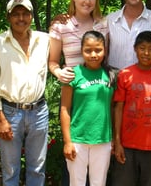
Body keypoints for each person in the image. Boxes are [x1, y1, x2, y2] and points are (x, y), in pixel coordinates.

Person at [0, 0, 49, 186]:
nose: (21, 18)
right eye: (16, 14)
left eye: (25, 13)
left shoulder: (44, 40)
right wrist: (0, 119)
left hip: (39, 112)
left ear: (32, 16)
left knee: (37, 168)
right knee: (10, 169)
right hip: (10, 113)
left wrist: (62, 18)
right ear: (8, 17)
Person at [112, 31, 151, 186]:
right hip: (127, 144)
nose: (146, 53)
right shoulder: (125, 75)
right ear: (135, 49)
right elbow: (118, 108)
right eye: (142, 48)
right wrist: (117, 141)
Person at [60, 31, 116, 186]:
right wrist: (67, 141)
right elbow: (64, 109)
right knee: (76, 183)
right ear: (81, 50)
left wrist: (115, 139)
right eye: (88, 50)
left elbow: (113, 109)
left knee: (99, 183)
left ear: (105, 50)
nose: (93, 54)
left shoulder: (111, 75)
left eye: (98, 50)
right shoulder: (73, 74)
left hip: (103, 139)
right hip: (77, 139)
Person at [49, 0, 108, 84]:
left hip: (99, 87)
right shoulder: (61, 26)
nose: (87, 1)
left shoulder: (103, 24)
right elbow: (53, 61)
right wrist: (59, 72)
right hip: (73, 88)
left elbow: (107, 58)